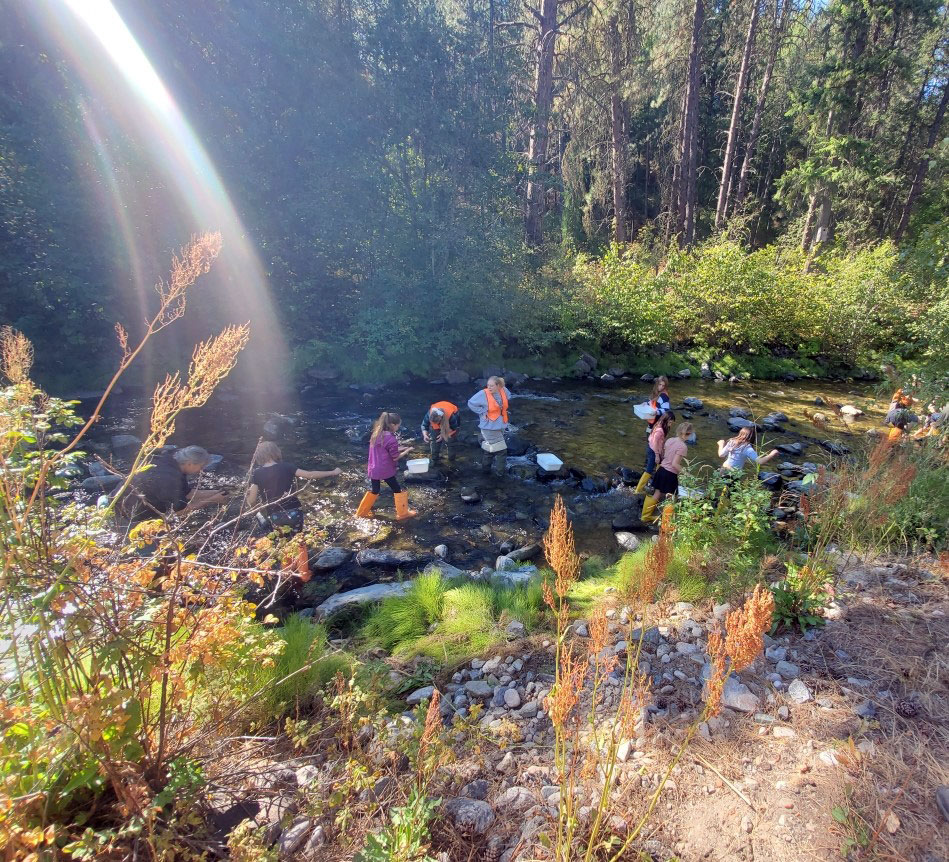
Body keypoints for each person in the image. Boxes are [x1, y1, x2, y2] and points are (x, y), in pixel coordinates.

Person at [244, 441, 341, 533]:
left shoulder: (257, 473)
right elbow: (309, 474)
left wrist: (257, 513)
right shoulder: (287, 466)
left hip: (275, 516)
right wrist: (333, 472)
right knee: (298, 540)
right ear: (275, 452)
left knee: (281, 542)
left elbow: (252, 500)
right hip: (294, 512)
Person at [116, 445, 229, 522]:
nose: (201, 471)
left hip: (118, 498)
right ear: (190, 464)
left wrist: (215, 492)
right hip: (128, 514)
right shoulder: (170, 479)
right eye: (201, 467)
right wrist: (212, 500)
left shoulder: (169, 462)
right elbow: (179, 512)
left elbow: (187, 493)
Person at [355, 411, 417, 519]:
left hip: (374, 468)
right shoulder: (391, 439)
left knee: (375, 490)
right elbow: (395, 457)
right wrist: (408, 450)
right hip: (385, 470)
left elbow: (384, 450)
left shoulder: (376, 434)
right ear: (393, 425)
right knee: (397, 489)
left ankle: (361, 513)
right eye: (398, 425)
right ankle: (403, 513)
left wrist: (401, 448)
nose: (398, 428)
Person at [642, 422, 693, 523]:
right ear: (688, 433)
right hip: (670, 474)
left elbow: (665, 455)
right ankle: (667, 522)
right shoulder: (683, 447)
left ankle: (645, 516)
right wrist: (687, 473)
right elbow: (675, 464)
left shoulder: (670, 440)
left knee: (657, 492)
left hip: (661, 470)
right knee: (672, 497)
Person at [468, 376, 512, 476]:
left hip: (501, 425)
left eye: (491, 385)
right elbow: (471, 403)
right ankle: (500, 475)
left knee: (489, 449)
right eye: (488, 385)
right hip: (488, 427)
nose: (489, 387)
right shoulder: (483, 394)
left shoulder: (504, 390)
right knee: (501, 451)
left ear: (498, 385)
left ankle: (485, 472)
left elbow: (509, 397)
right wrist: (482, 411)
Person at [635, 376, 672, 493]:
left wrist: (656, 412)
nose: (661, 387)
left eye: (663, 385)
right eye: (659, 385)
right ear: (657, 385)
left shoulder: (664, 396)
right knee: (653, 453)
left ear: (665, 386)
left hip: (657, 426)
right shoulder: (656, 394)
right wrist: (644, 403)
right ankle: (646, 482)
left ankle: (648, 480)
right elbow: (652, 403)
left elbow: (666, 411)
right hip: (652, 426)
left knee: (654, 453)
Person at [421, 401, 460, 466]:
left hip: (452, 419)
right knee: (434, 440)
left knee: (451, 441)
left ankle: (451, 460)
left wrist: (443, 434)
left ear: (441, 419)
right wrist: (425, 435)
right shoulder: (429, 414)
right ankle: (434, 459)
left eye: (437, 422)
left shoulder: (451, 417)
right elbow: (424, 425)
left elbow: (454, 428)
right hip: (439, 416)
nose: (435, 424)